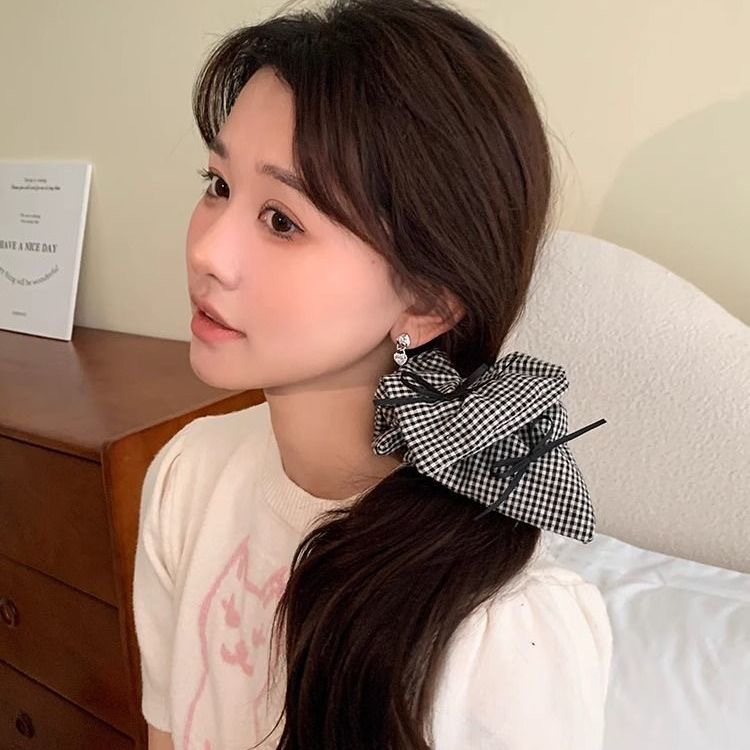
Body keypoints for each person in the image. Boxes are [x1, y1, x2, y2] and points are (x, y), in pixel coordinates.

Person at [133, 0, 613, 748]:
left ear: (428, 302)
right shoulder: (187, 476)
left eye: (283, 220)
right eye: (218, 184)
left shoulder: (502, 632)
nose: (206, 251)